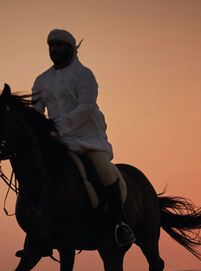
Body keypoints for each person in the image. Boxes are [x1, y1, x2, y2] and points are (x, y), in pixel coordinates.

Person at [31, 28, 135, 246]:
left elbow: (87, 106)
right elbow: (36, 113)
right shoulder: (41, 80)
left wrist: (59, 127)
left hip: (87, 137)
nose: (54, 49)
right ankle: (38, 229)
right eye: (51, 45)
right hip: (57, 141)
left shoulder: (84, 74)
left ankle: (119, 222)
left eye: (58, 45)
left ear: (70, 48)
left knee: (104, 170)